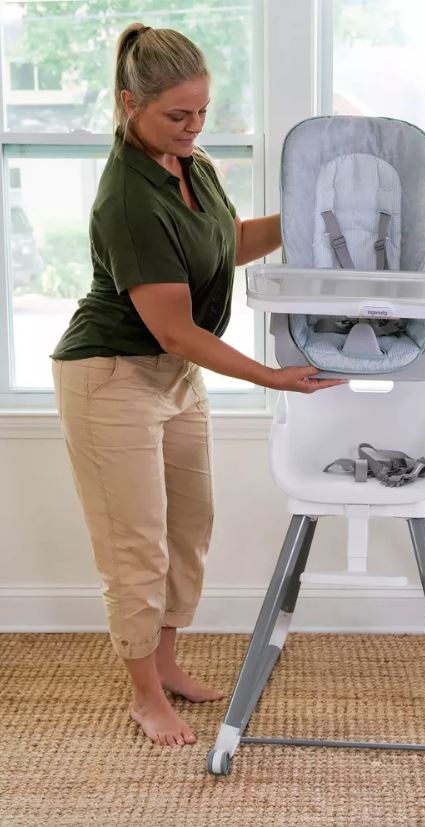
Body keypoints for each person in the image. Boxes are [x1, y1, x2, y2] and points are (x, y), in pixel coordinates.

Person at [50, 23, 343, 748]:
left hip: (175, 376)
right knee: (136, 546)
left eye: (202, 111)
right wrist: (272, 375)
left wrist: (302, 220)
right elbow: (175, 327)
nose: (193, 127)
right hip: (111, 376)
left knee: (189, 529)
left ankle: (169, 664)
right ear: (128, 104)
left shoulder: (193, 164)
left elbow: (226, 242)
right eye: (177, 116)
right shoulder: (127, 198)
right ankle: (145, 695)